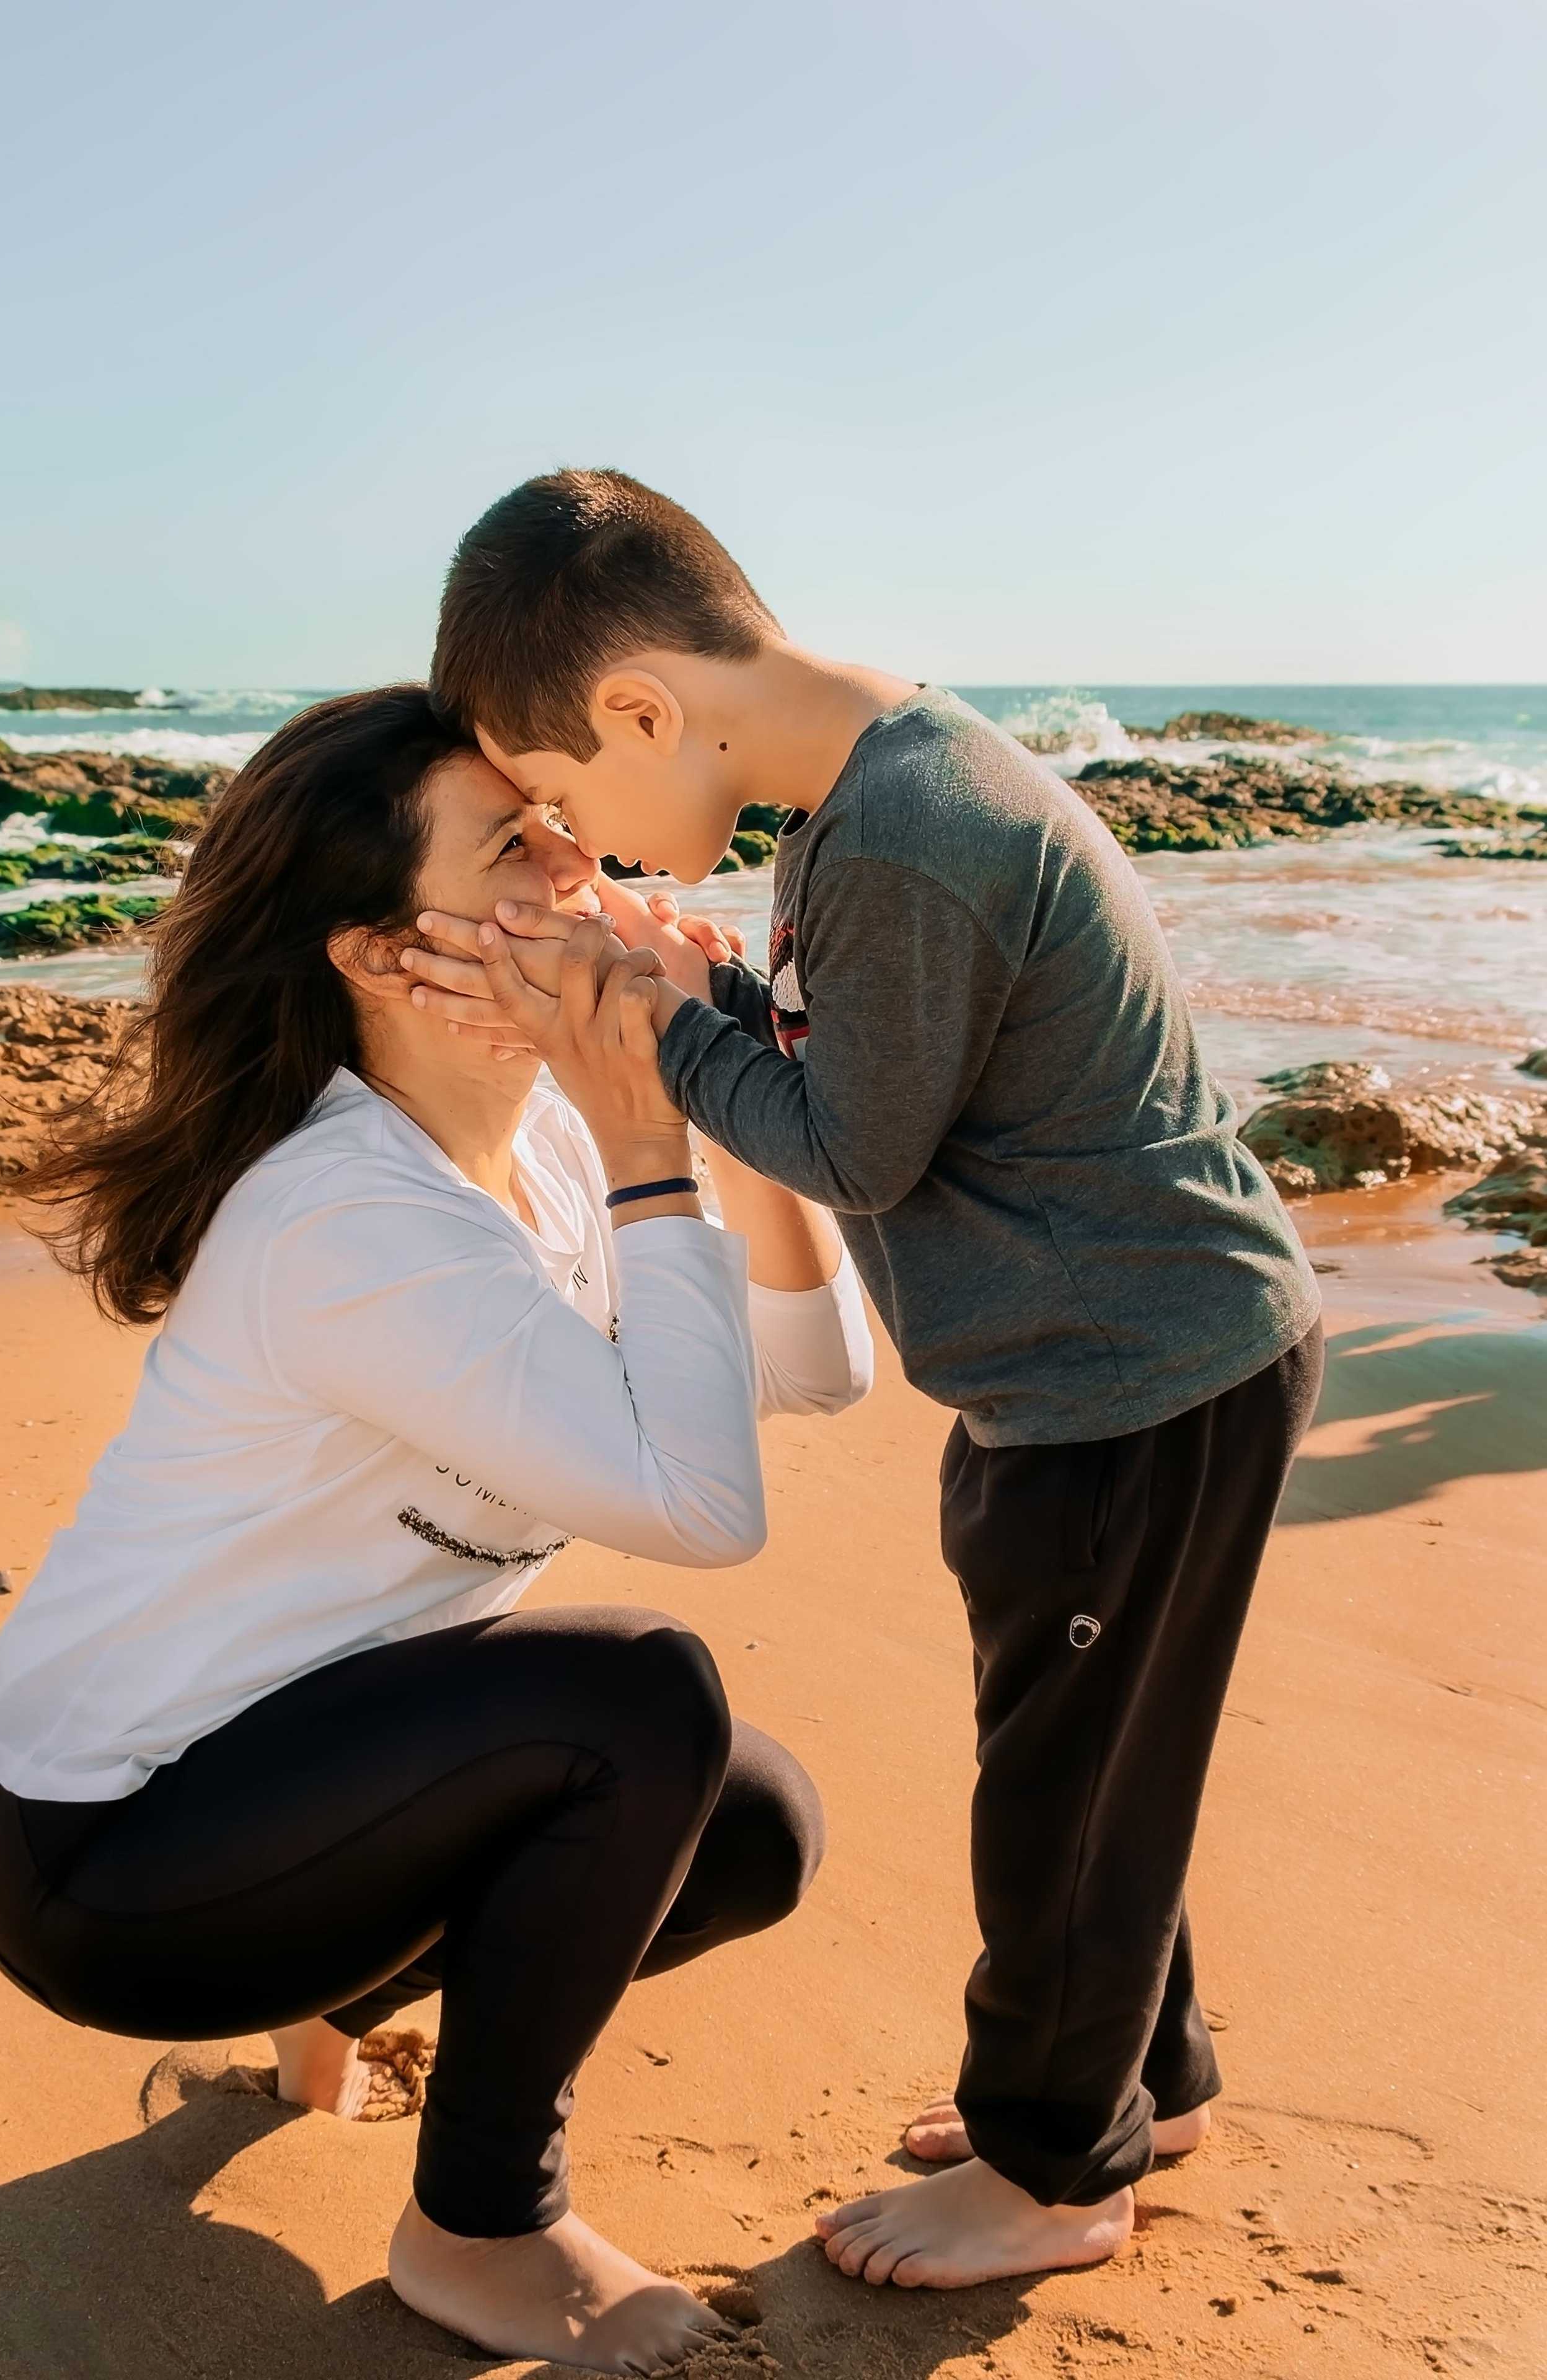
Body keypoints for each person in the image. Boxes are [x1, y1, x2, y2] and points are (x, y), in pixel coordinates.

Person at [410, 468, 1327, 2291]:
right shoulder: (878, 792)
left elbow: (857, 1150)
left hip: (1130, 1379)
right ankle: (1146, 2079)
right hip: (1114, 1364)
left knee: (1058, 1796)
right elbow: (875, 1067)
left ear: (643, 710)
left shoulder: (904, 833)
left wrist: (660, 1025)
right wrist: (722, 994)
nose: (594, 841)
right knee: (1095, 1759)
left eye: (575, 794)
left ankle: (1058, 2173)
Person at [0, 686, 873, 2374]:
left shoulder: (539, 1144)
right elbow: (699, 1509)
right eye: (515, 840)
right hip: (104, 1854)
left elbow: (817, 1376)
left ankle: (334, 1997)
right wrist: (645, 1126)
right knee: (640, 1695)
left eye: (562, 821)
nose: (577, 853)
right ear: (387, 953)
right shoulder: (342, 1216)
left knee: (752, 1833)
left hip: (300, 1766)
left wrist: (711, 1070)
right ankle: (483, 2229)